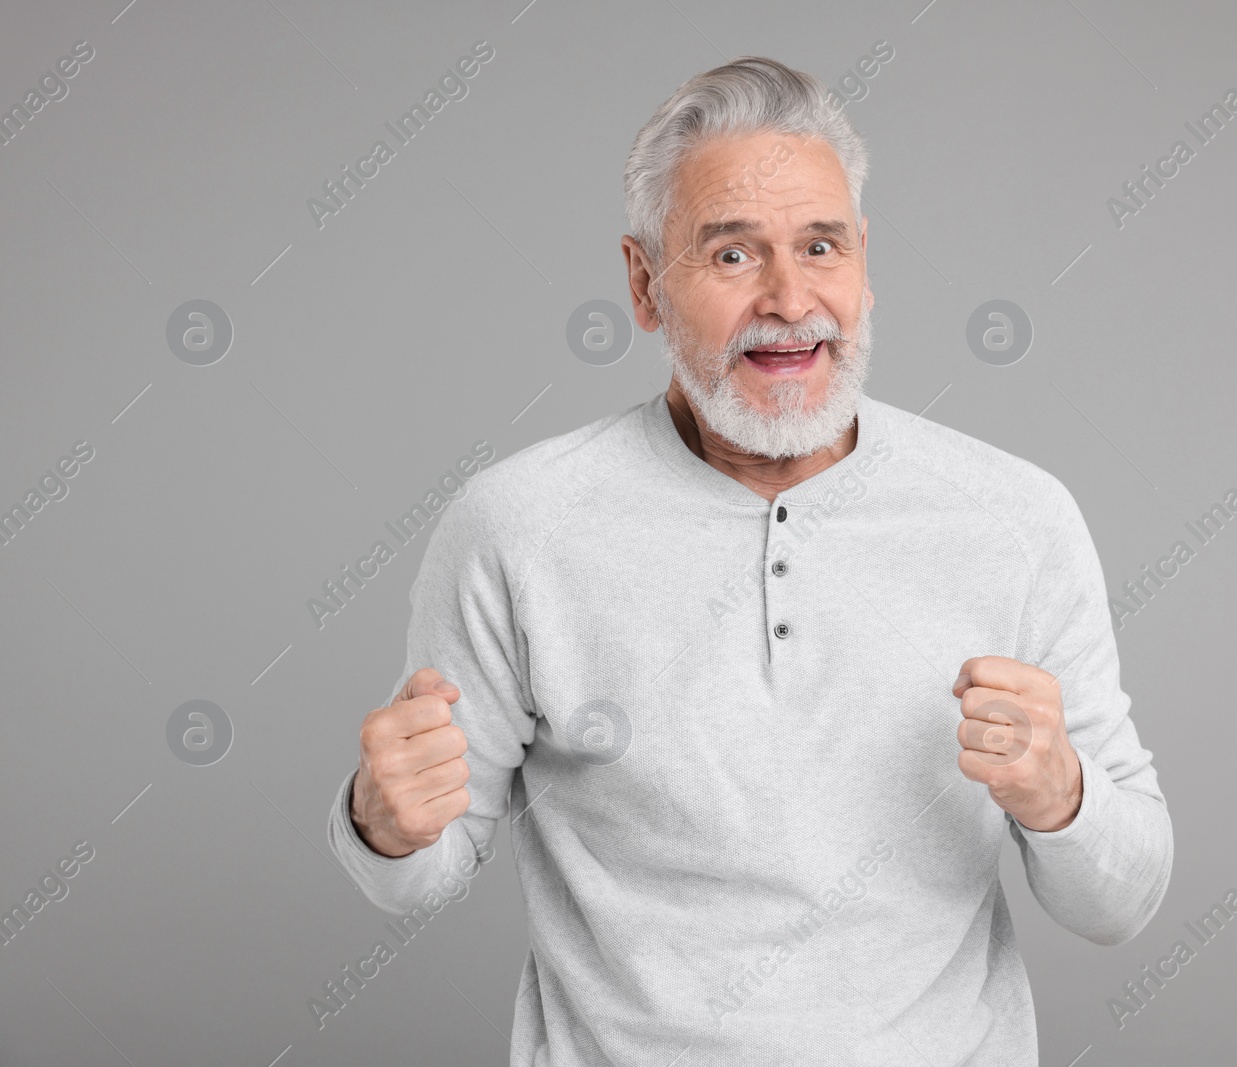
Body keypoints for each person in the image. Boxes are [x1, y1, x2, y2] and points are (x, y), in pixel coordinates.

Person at [327, 54, 1172, 1066]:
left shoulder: (1016, 517)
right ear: (643, 284)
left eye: (820, 246)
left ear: (864, 261)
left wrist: (1063, 796)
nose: (787, 297)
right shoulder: (516, 524)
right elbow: (419, 866)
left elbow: (1121, 900)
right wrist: (381, 823)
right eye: (732, 255)